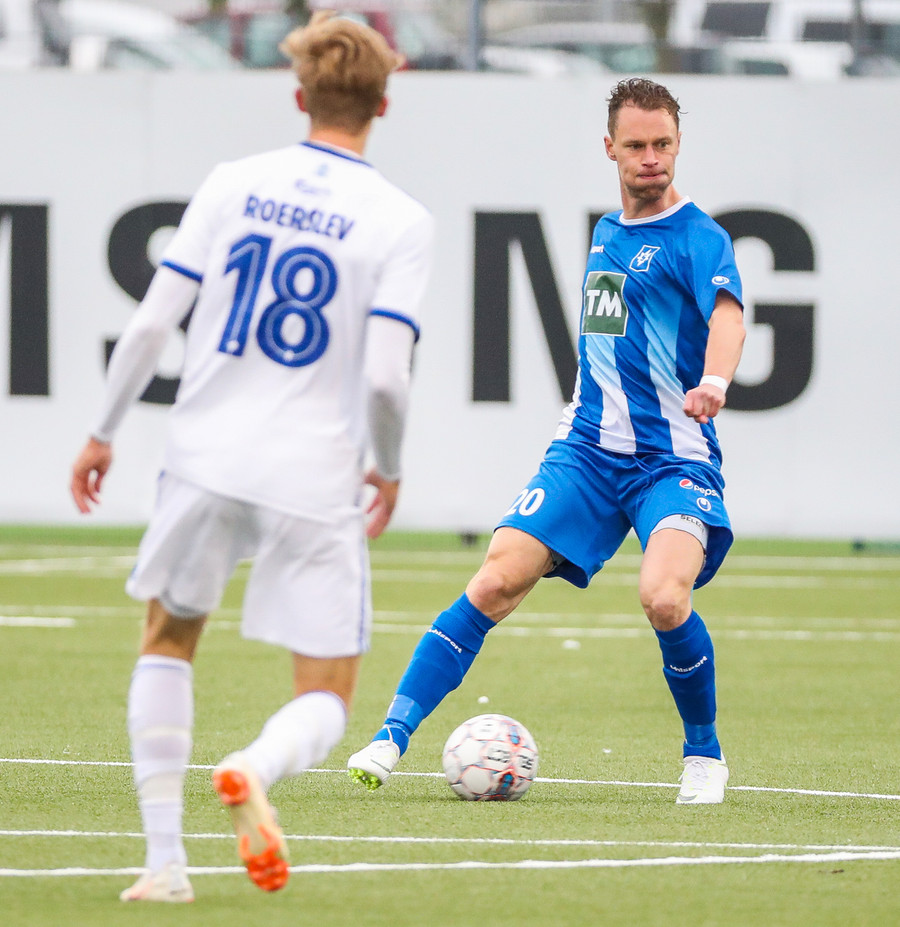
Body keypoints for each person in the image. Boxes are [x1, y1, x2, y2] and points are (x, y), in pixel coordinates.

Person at [70, 11, 433, 902]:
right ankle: (256, 765)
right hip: (313, 471)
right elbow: (386, 378)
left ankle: (164, 864)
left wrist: (104, 430)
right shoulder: (400, 219)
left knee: (167, 638)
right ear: (385, 103)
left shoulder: (234, 182)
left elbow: (151, 325)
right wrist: (388, 466)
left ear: (299, 95)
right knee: (328, 694)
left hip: (203, 455)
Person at [348, 77, 746, 805]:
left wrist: (716, 379)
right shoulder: (607, 234)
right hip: (587, 454)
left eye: (663, 144)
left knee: (663, 597)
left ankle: (703, 755)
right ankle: (390, 736)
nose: (651, 158)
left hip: (672, 461)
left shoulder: (699, 238)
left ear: (678, 145)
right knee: (495, 581)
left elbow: (728, 315)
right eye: (637, 145)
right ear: (610, 148)